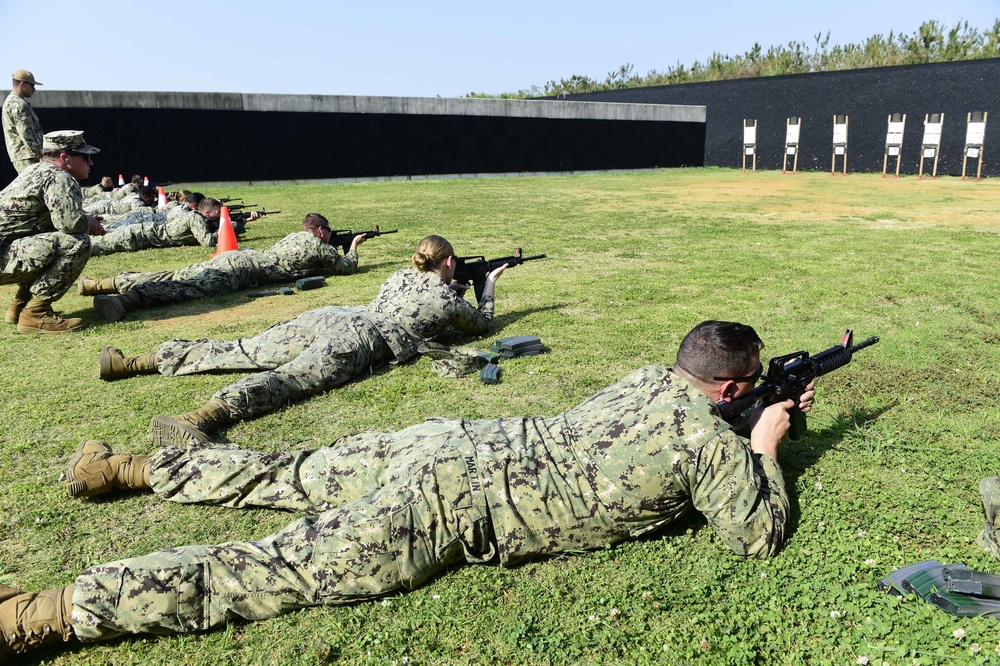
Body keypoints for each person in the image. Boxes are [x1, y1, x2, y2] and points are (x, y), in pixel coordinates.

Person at [0, 320, 815, 658]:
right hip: (453, 502)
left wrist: (747, 415)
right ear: (728, 391)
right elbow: (756, 536)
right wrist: (770, 443)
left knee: (288, 471)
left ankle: (120, 471)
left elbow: (659, 427)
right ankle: (38, 615)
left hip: (450, 440)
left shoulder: (648, 380)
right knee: (271, 570)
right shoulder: (709, 442)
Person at [100, 234, 506, 446]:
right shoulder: (443, 297)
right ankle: (203, 416)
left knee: (243, 348)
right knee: (291, 379)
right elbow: (482, 325)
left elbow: (419, 305)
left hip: (332, 315)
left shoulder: (401, 276)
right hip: (356, 338)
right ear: (449, 262)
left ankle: (134, 362)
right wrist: (487, 286)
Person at [78, 213, 365, 322]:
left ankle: (100, 284)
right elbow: (346, 268)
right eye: (327, 231)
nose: (329, 235)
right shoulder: (319, 246)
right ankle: (124, 299)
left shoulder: (294, 237)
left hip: (236, 258)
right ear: (319, 231)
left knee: (178, 274)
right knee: (184, 288)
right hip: (244, 272)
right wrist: (353, 246)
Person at [0, 130, 105, 333]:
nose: (90, 163)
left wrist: (85, 219)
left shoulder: (33, 171)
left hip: (5, 250)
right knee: (76, 242)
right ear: (65, 158)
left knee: (49, 236)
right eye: (85, 157)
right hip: (4, 256)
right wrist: (88, 221)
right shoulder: (59, 177)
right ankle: (35, 314)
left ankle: (20, 305)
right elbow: (71, 224)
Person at [89, 197, 222, 255]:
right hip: (138, 235)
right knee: (92, 246)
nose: (221, 215)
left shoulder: (198, 218)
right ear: (207, 213)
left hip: (144, 233)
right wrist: (225, 230)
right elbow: (208, 241)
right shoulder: (195, 217)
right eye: (219, 213)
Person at [2, 70, 43, 174]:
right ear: (23, 84)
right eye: (32, 86)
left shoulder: (14, 102)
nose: (34, 89)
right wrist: (42, 155)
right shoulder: (18, 104)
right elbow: (27, 134)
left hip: (26, 155)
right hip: (29, 156)